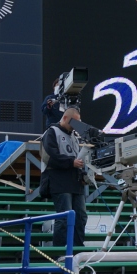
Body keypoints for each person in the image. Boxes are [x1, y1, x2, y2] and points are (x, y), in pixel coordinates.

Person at [40, 107, 88, 249]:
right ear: (66, 118)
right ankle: (60, 251)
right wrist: (71, 162)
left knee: (81, 217)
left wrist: (81, 170)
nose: (76, 126)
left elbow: (76, 156)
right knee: (64, 217)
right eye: (74, 121)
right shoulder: (51, 132)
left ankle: (78, 249)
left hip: (75, 180)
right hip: (59, 180)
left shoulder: (74, 136)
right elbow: (49, 157)